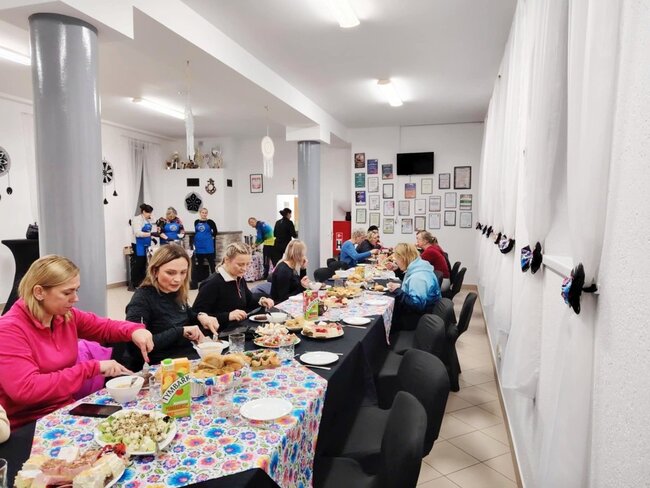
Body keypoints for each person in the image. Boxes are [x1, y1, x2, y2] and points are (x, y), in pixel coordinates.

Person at [0, 255, 154, 428]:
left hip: (64, 408)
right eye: (67, 293)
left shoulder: (64, 316)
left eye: (76, 290)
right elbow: (26, 389)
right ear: (39, 292)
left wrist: (134, 330)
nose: (75, 298)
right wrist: (91, 368)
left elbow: (103, 327)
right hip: (28, 422)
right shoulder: (9, 330)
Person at [124, 244, 219, 369]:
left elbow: (186, 314)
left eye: (183, 272)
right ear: (155, 271)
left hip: (186, 356)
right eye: (170, 273)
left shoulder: (175, 292)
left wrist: (201, 317)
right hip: (163, 366)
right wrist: (180, 332)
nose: (178, 279)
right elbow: (136, 345)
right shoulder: (142, 298)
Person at [193, 242, 274, 331]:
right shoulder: (212, 283)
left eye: (248, 264)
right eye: (240, 264)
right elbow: (196, 316)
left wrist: (261, 300)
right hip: (222, 332)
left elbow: (248, 299)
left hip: (238, 328)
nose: (245, 269)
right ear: (227, 260)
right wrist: (228, 316)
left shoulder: (238, 276)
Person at [387, 243, 441, 330]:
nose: (396, 262)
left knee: (385, 321)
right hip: (426, 313)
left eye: (396, 259)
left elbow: (416, 305)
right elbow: (409, 280)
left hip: (420, 320)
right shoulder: (419, 266)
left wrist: (398, 291)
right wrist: (397, 270)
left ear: (403, 258)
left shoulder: (418, 278)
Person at [130, 203, 154, 289]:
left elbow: (150, 229)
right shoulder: (137, 219)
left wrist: (152, 237)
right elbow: (137, 233)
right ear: (143, 211)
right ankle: (135, 283)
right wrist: (151, 234)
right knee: (138, 263)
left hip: (146, 244)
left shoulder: (147, 220)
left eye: (151, 212)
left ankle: (143, 283)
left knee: (145, 263)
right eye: (148, 212)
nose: (150, 214)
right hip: (138, 244)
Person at [193, 207, 218, 277]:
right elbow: (196, 231)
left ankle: (214, 278)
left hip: (208, 245)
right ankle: (200, 279)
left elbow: (215, 231)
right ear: (200, 213)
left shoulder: (210, 222)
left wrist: (211, 237)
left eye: (205, 213)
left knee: (212, 263)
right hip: (199, 245)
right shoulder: (196, 222)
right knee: (200, 264)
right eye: (203, 213)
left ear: (207, 214)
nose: (204, 214)